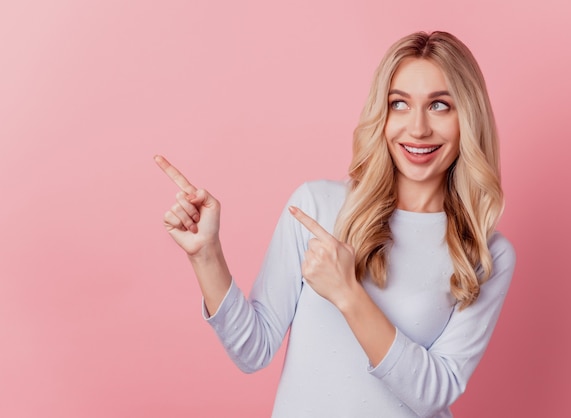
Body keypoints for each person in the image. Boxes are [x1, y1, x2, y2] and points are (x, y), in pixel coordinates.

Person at [155, 30, 516, 418]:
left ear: (469, 117)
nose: (418, 128)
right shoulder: (318, 208)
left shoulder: (486, 254)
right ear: (383, 113)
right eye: (399, 104)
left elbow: (434, 392)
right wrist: (206, 255)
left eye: (440, 106)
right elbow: (252, 351)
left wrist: (348, 293)